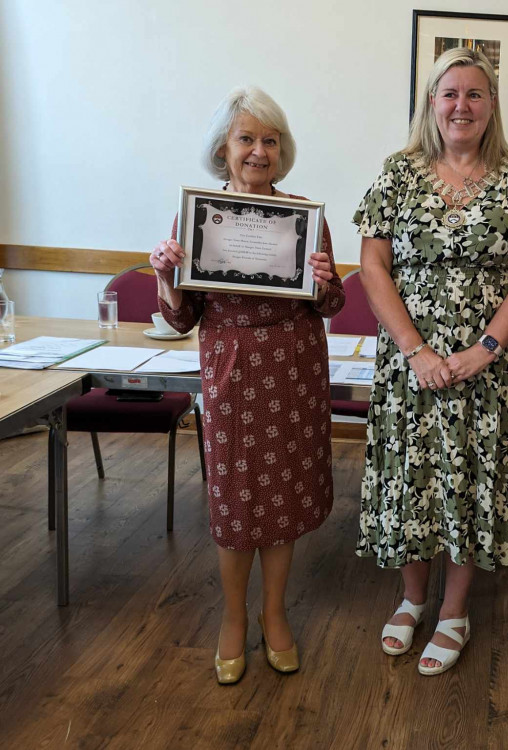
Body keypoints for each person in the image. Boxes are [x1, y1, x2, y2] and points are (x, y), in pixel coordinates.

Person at [353, 47, 508, 676]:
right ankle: (413, 600)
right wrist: (416, 350)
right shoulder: (398, 172)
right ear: (432, 104)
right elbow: (372, 265)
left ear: (492, 105)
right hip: (410, 364)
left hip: (489, 365)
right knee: (411, 480)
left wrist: (484, 349)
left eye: (474, 94)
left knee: (470, 482)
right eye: (450, 94)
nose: (461, 105)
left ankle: (454, 612)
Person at [150, 86, 345, 684]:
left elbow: (333, 304)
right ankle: (233, 620)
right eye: (247, 139)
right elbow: (182, 319)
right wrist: (166, 276)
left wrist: (322, 280)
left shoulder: (306, 214)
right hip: (231, 366)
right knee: (235, 502)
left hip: (294, 364)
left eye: (270, 140)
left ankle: (274, 613)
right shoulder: (196, 216)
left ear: (281, 150)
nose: (259, 151)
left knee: (281, 495)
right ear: (223, 149)